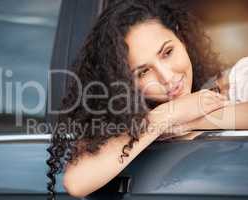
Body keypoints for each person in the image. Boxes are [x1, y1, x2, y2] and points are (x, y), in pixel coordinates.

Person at [46, 0, 248, 199]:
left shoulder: (237, 79)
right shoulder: (122, 129)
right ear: (125, 83)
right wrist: (168, 115)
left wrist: (191, 119)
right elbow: (76, 182)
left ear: (181, 38)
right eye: (143, 72)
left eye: (167, 52)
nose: (167, 78)